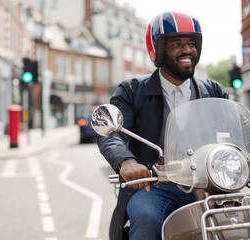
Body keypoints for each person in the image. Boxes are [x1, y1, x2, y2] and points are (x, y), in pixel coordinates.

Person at [97, 11, 229, 240]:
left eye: (191, 43)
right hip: (152, 185)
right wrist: (126, 161)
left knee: (240, 216)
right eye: (177, 44)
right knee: (146, 218)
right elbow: (111, 133)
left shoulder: (213, 91)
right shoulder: (132, 91)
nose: (187, 50)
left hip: (207, 184)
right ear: (157, 51)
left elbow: (232, 132)